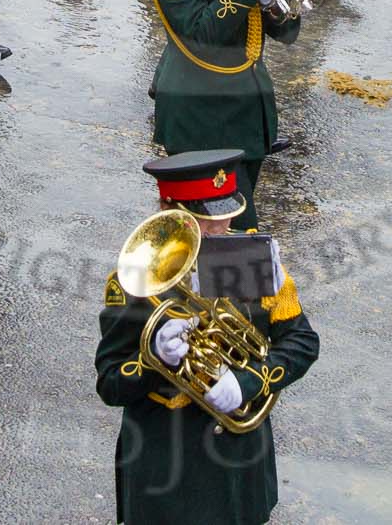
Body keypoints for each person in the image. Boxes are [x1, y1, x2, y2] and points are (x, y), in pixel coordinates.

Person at [96, 148, 321, 525]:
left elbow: (301, 343)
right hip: (166, 468)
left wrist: (248, 381)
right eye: (205, 221)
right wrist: (154, 360)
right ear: (170, 209)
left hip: (238, 460)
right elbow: (110, 383)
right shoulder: (133, 279)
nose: (219, 231)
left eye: (227, 217)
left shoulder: (256, 259)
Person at [149, 0, 302, 226]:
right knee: (223, 229)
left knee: (239, 217)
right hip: (200, 114)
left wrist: (273, 3)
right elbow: (202, 37)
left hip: (249, 109)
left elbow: (288, 34)